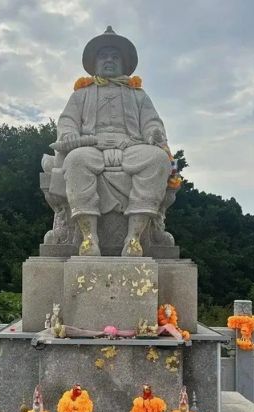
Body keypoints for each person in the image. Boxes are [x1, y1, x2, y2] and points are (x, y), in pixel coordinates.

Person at [55, 26, 172, 257]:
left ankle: (134, 238)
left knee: (158, 159)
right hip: (91, 147)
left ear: (124, 63)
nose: (109, 60)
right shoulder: (81, 94)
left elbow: (152, 122)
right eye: (103, 56)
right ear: (95, 62)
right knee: (76, 159)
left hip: (132, 147)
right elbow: (67, 121)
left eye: (115, 56)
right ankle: (89, 237)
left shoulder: (138, 95)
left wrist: (154, 133)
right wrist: (69, 134)